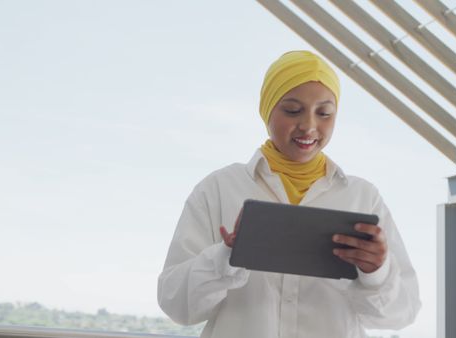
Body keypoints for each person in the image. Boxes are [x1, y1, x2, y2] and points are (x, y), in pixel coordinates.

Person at [157, 50, 421, 338]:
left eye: (324, 113)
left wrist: (376, 273)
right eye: (293, 110)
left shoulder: (363, 196)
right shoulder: (219, 188)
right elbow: (176, 306)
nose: (308, 126)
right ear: (267, 110)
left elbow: (403, 313)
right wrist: (226, 256)